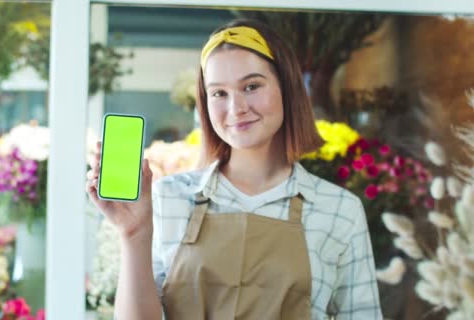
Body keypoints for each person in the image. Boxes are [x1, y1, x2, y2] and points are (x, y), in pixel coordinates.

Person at [86, 18, 382, 320]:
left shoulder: (339, 211)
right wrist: (133, 233)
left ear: (287, 88)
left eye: (251, 86)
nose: (236, 108)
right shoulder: (169, 198)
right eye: (219, 93)